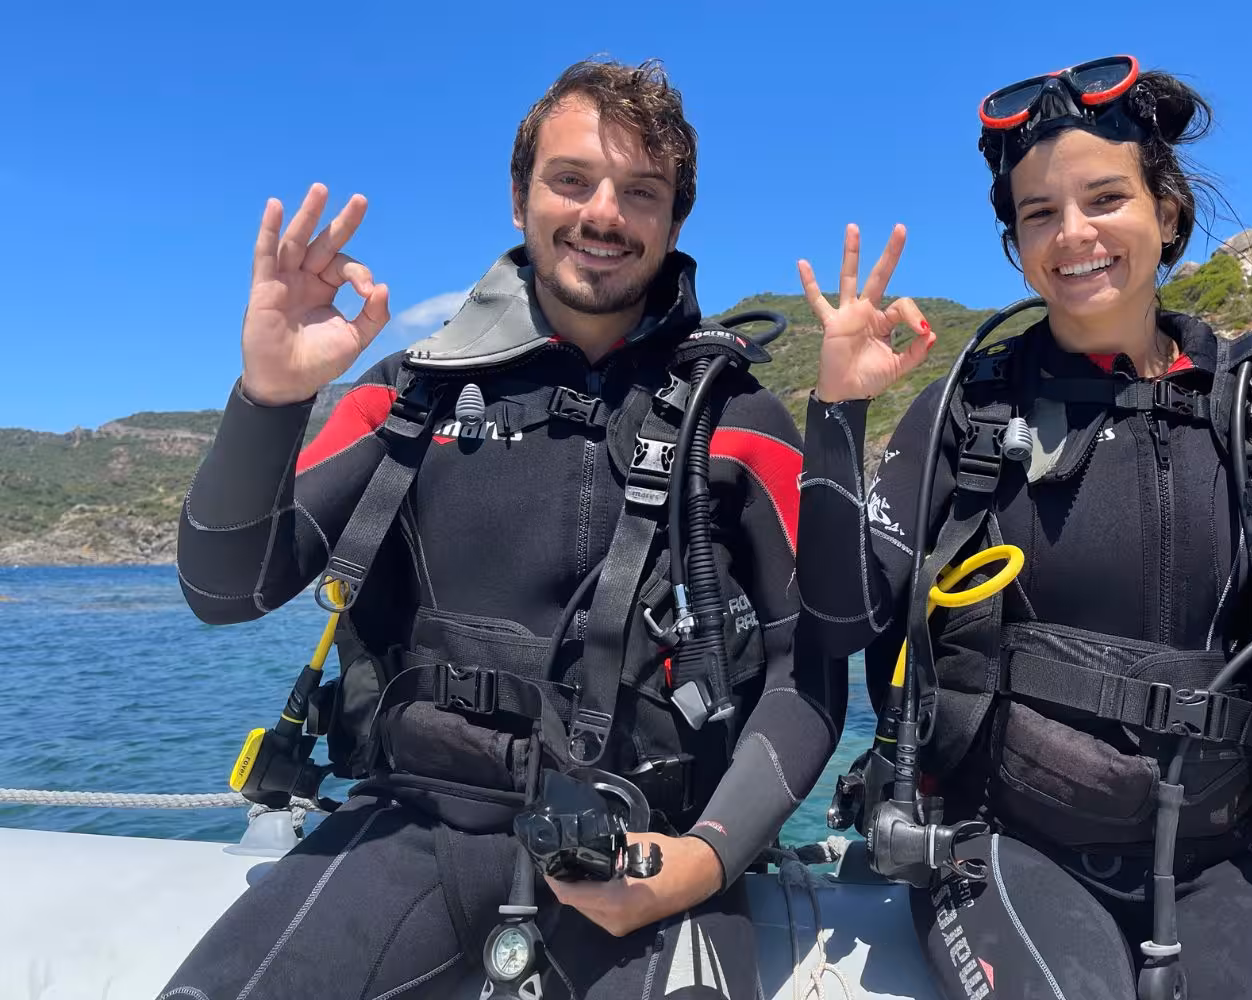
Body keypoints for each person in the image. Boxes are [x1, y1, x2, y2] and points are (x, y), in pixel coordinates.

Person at [794, 57, 1252, 999]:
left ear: (1166, 212)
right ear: (1015, 243)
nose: (1074, 234)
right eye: (1039, 213)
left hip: (1227, 844)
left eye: (1105, 198)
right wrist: (837, 414)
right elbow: (841, 625)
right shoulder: (972, 410)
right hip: (1007, 843)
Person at [165, 57, 844, 1000]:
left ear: (674, 221)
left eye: (640, 192)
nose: (603, 214)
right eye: (572, 180)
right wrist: (271, 398)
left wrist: (704, 860)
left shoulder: (740, 421)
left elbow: (806, 673)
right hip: (413, 826)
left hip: (646, 849)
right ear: (520, 196)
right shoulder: (408, 393)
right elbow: (224, 592)